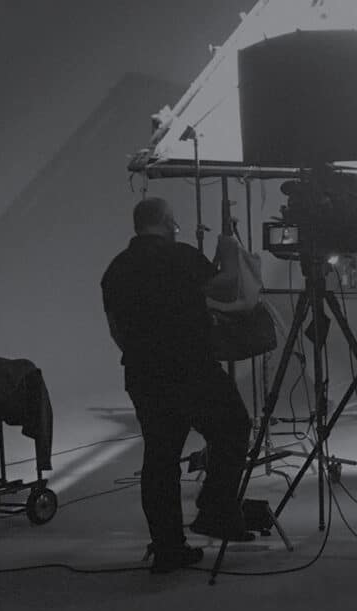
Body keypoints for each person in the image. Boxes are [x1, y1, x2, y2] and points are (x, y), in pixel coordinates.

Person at [101, 196, 253, 574]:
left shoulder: (116, 269)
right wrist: (230, 250)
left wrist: (143, 355)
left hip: (144, 373)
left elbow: (115, 329)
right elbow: (228, 287)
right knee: (234, 427)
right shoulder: (181, 257)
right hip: (192, 368)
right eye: (175, 222)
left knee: (160, 458)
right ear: (167, 222)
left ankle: (168, 548)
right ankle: (216, 510)